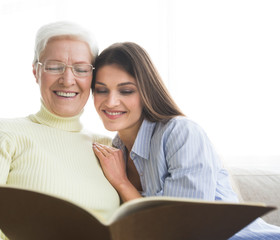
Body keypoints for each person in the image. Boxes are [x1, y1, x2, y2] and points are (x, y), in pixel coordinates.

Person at [0, 21, 119, 240]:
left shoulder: (108, 147)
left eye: (81, 69)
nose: (67, 80)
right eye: (54, 66)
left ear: (93, 77)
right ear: (36, 71)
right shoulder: (4, 134)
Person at [91, 42, 280, 239]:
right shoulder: (113, 150)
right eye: (101, 90)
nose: (111, 102)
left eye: (126, 90)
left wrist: (122, 183)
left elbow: (185, 232)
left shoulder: (180, 133)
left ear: (146, 91)